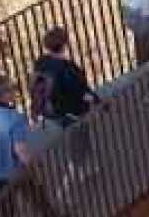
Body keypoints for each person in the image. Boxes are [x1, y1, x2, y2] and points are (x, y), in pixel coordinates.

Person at [0, 74, 64, 217]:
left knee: (8, 207)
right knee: (36, 193)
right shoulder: (14, 119)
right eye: (10, 89)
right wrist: (34, 166)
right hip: (16, 169)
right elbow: (20, 150)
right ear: (2, 95)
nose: (14, 92)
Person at [32, 27, 101, 178]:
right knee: (79, 137)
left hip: (51, 111)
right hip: (71, 111)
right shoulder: (68, 68)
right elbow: (81, 93)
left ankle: (84, 165)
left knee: (77, 135)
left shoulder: (40, 62)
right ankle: (75, 172)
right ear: (65, 45)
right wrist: (97, 101)